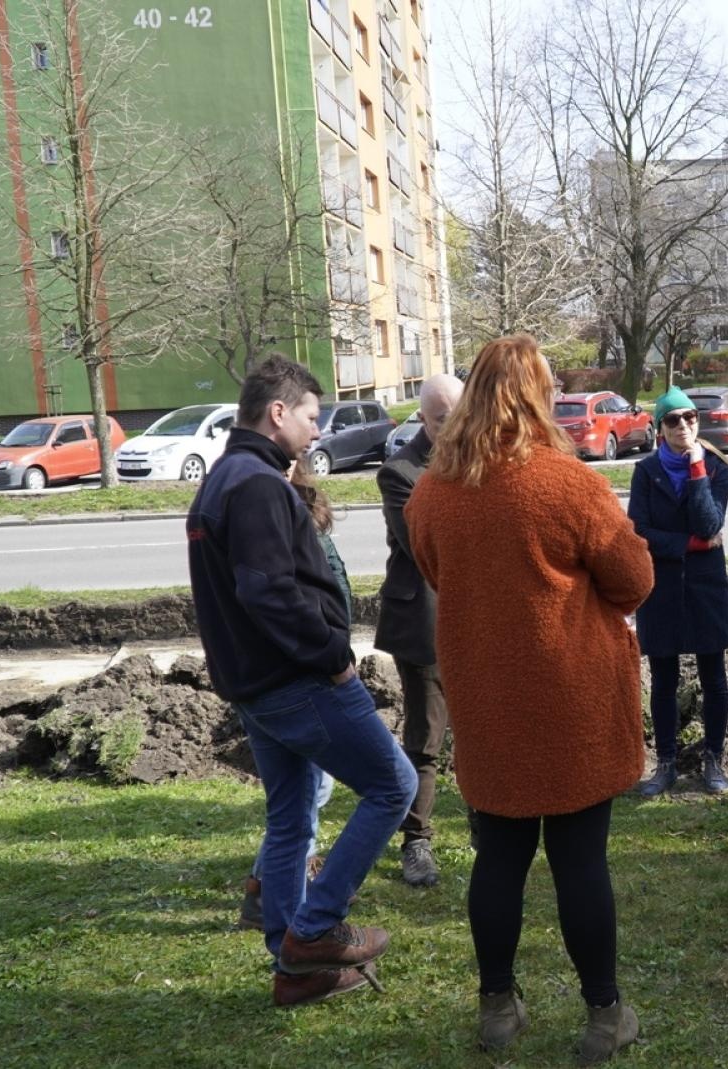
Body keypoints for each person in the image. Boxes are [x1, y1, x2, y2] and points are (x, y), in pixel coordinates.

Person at [408, 335, 654, 1062]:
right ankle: (604, 1015)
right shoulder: (568, 483)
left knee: (498, 860)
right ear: (538, 396)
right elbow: (634, 579)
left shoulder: (431, 494)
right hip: (572, 702)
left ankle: (497, 1009)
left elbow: (437, 573)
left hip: (487, 701)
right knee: (580, 864)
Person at [187, 355, 416, 1008]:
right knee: (394, 785)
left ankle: (292, 968)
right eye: (312, 417)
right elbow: (267, 591)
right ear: (278, 412)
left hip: (255, 685)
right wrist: (332, 655)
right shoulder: (257, 484)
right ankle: (314, 931)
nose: (317, 431)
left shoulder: (223, 476)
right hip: (297, 679)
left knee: (291, 816)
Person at [237, 463, 351, 928]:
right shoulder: (258, 515)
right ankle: (274, 891)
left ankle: (267, 887)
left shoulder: (302, 507)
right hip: (297, 673)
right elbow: (280, 602)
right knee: (313, 791)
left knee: (307, 791)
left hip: (316, 662)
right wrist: (328, 657)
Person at [374, 372, 464, 887]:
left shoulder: (478, 458)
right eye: (442, 420)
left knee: (479, 730)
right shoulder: (400, 472)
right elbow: (426, 548)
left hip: (475, 618)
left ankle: (488, 825)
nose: (454, 428)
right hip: (424, 621)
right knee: (426, 736)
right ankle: (417, 841)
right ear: (423, 419)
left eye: (461, 416)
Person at [629, 386, 728, 797]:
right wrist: (688, 544)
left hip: (706, 586)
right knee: (663, 680)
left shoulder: (716, 468)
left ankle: (714, 760)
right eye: (673, 420)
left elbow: (710, 524)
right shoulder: (645, 472)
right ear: (660, 428)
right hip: (661, 588)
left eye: (690, 417)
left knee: (714, 677)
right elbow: (639, 531)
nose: (683, 426)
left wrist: (696, 469)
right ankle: (666, 763)